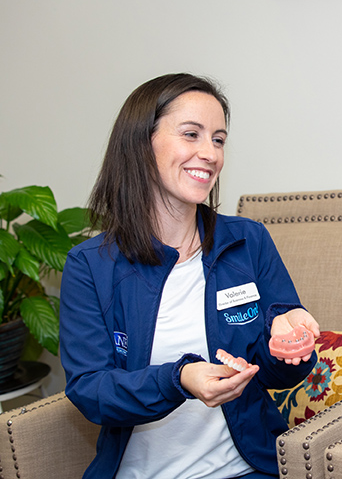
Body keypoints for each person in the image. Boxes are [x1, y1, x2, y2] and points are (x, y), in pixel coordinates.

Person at [59, 73, 319, 478]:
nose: (210, 154)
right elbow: (91, 391)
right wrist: (178, 378)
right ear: (140, 144)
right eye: (191, 134)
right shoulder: (90, 265)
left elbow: (274, 373)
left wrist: (289, 348)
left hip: (246, 469)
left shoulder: (248, 241)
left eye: (218, 139)